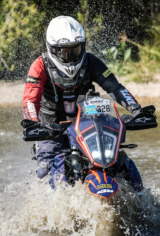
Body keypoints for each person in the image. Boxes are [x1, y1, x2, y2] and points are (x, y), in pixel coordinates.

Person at [22, 16, 143, 192]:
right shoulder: (40, 66)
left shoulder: (91, 61)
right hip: (51, 130)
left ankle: (141, 203)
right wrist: (32, 123)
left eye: (76, 50)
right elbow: (30, 98)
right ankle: (44, 211)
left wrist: (137, 110)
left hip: (87, 125)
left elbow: (115, 88)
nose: (71, 56)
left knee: (120, 161)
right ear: (53, 49)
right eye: (65, 52)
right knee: (44, 172)